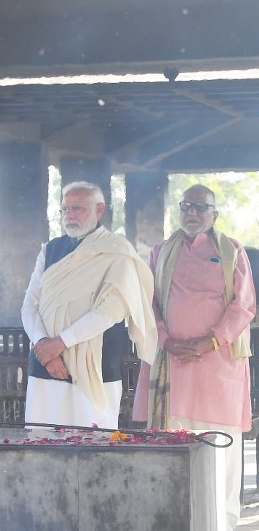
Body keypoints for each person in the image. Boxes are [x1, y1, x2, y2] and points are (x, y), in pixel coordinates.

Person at [132, 184, 255, 530]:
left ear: (214, 214)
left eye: (201, 207)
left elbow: (244, 305)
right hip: (172, 367)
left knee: (220, 450)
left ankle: (221, 524)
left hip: (218, 368)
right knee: (174, 446)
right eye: (186, 206)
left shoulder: (231, 250)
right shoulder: (160, 252)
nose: (193, 212)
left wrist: (211, 341)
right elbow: (148, 304)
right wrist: (165, 339)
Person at [21, 181, 156, 429]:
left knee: (92, 441)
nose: (69, 215)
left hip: (96, 365)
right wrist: (44, 345)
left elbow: (112, 310)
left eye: (78, 208)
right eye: (65, 209)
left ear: (99, 210)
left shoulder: (117, 251)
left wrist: (60, 343)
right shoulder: (50, 250)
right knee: (42, 438)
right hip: (46, 363)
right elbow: (30, 304)